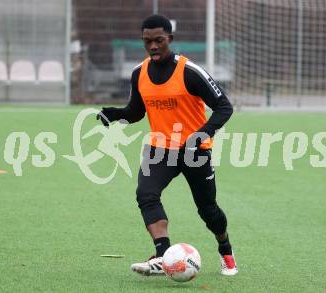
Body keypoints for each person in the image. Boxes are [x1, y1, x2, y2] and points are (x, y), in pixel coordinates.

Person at [97, 14, 237, 276]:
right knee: (146, 195)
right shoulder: (139, 73)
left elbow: (224, 107)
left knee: (208, 210)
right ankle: (163, 255)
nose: (153, 46)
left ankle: (225, 249)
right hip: (159, 148)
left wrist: (202, 134)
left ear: (169, 39)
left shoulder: (190, 72)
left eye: (159, 40)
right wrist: (115, 114)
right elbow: (136, 112)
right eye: (147, 41)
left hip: (195, 151)